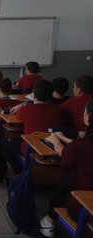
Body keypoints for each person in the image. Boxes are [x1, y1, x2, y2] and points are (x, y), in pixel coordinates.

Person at [39, 96, 93, 238]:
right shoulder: (81, 145)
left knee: (65, 182)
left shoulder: (82, 146)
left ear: (88, 118)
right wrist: (65, 138)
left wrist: (56, 140)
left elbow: (65, 158)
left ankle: (48, 220)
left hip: (87, 209)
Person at [0, 79, 63, 175]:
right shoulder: (59, 110)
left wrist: (24, 104)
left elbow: (17, 114)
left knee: (4, 144)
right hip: (53, 147)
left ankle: (19, 172)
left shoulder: (26, 110)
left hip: (31, 147)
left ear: (33, 94)